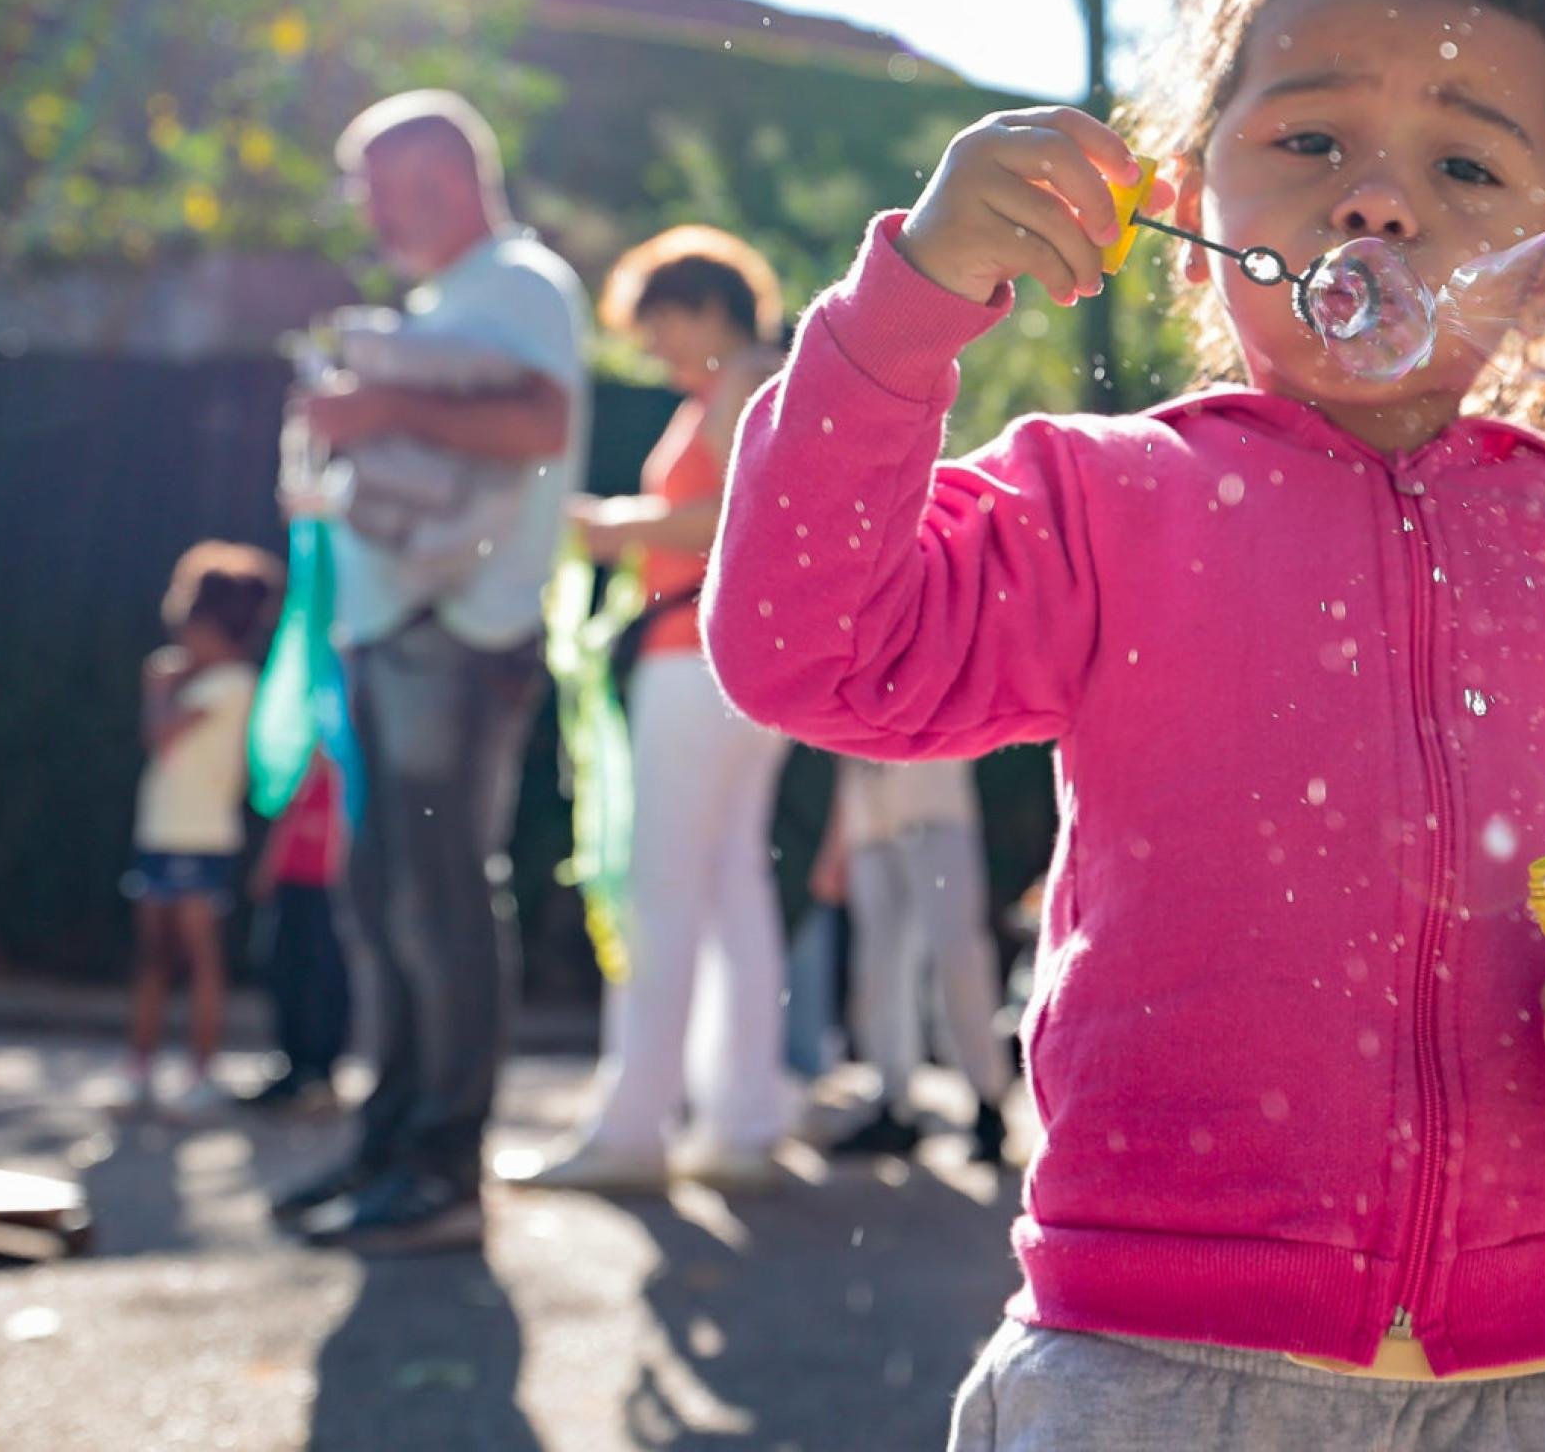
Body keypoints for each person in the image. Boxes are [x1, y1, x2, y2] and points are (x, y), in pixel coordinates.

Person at [706, 0, 1545, 1450]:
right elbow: (812, 642)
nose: (1378, 202)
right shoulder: (1106, 503)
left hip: (1544, 1375)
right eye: (1310, 143)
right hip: (1151, 1358)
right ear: (1187, 181)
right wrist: (912, 301)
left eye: (1464, 163)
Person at [274, 90, 590, 1254]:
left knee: (435, 900)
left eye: (380, 188)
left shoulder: (516, 281)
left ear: (444, 180)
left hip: (450, 634)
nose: (368, 213)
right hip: (401, 632)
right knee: (385, 899)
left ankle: (440, 1165)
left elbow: (540, 422)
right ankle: (392, 1142)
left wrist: (374, 407)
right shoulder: (458, 295)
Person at [499, 227, 793, 1195]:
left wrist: (612, 524)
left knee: (661, 892)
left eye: (660, 329)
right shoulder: (756, 381)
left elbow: (743, 514)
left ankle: (635, 1126)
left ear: (703, 307)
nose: (654, 353)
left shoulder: (742, 383)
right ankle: (740, 1121)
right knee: (729, 891)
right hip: (741, 661)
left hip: (695, 656)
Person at [126, 542, 281, 1114]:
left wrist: (159, 691)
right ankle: (140, 1067)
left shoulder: (232, 685)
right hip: (160, 833)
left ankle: (200, 1071)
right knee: (153, 958)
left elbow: (160, 735)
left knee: (199, 958)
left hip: (201, 838)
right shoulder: (206, 683)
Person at [822, 758, 1011, 1165]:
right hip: (868, 823)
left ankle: (988, 1100)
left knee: (956, 956)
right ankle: (893, 1102)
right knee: (877, 967)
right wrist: (836, 840)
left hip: (935, 805)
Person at [238, 753, 351, 1113]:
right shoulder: (297, 758)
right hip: (292, 877)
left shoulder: (351, 756)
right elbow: (288, 812)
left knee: (325, 977)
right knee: (283, 970)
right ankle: (291, 1068)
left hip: (331, 882)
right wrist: (270, 864)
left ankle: (320, 1073)